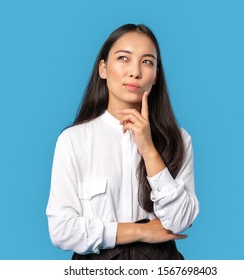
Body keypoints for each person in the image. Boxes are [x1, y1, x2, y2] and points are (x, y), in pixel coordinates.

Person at [46, 23, 199, 260]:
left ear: (156, 75)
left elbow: (179, 222)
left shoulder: (178, 139)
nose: (135, 72)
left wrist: (148, 148)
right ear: (103, 69)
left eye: (147, 62)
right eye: (123, 58)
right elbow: (62, 231)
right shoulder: (73, 141)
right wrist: (141, 231)